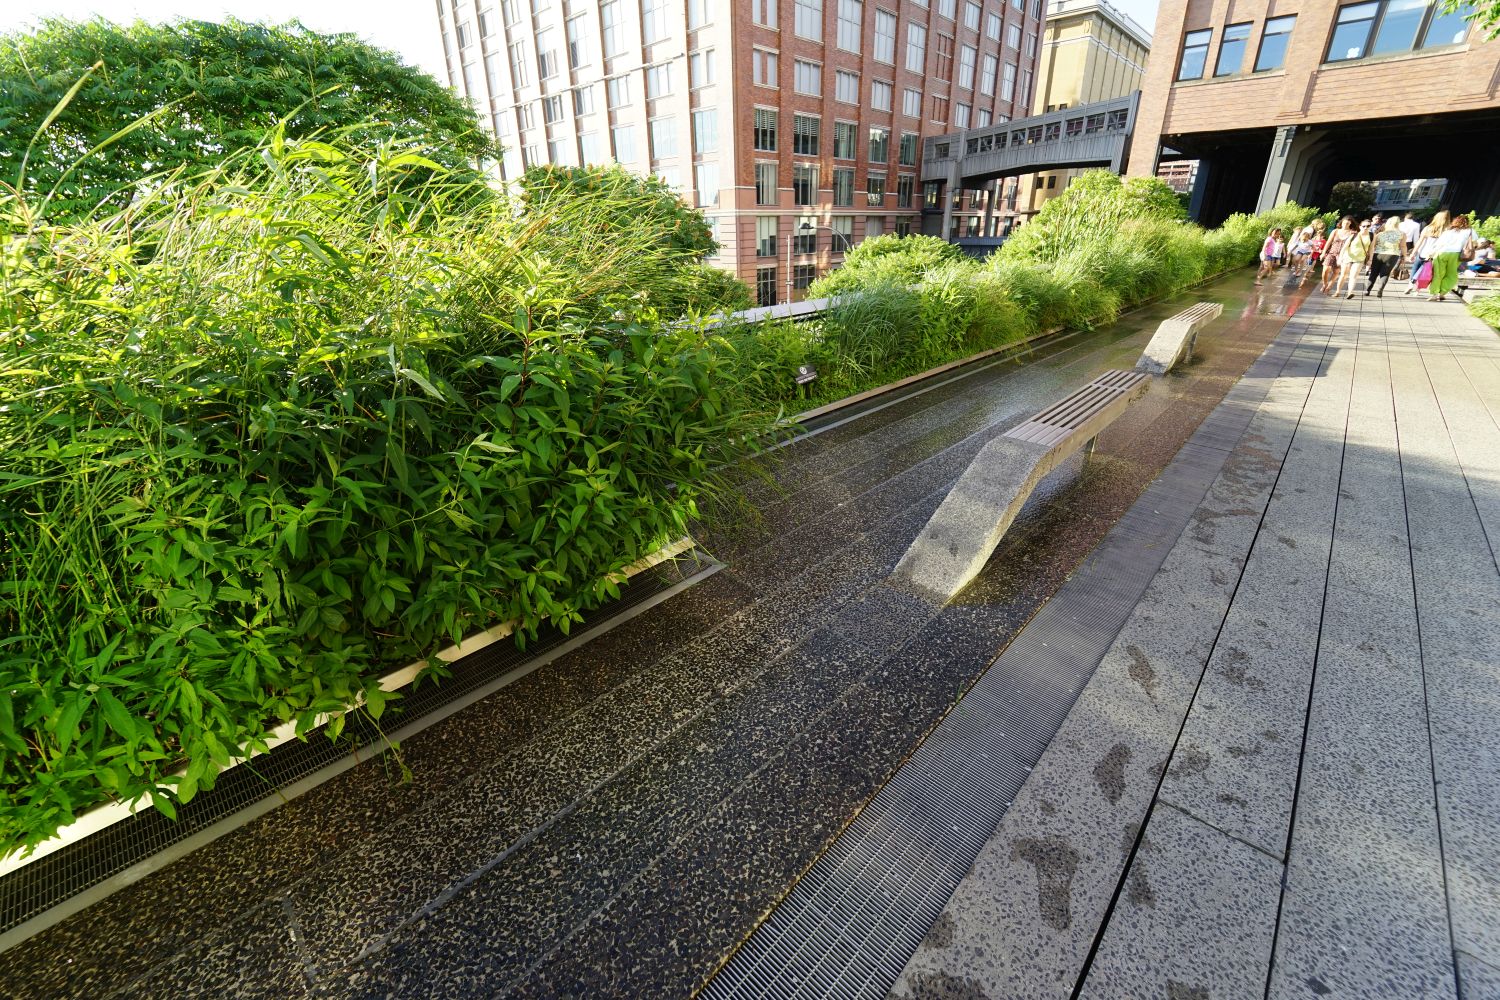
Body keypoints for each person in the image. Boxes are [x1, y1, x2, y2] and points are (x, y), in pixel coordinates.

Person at [1428, 214, 1476, 301]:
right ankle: (1442, 293)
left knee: (1438, 274)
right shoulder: (1470, 231)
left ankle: (1434, 294)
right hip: (1456, 255)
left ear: (1455, 222)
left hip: (1441, 253)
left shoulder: (1448, 231)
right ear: (1467, 222)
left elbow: (1438, 243)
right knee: (1451, 275)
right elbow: (1475, 243)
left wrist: (1431, 253)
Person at [1404, 210, 1447, 295]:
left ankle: (1410, 284)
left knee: (1415, 268)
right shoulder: (1445, 231)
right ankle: (1417, 290)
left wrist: (1413, 253)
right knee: (1424, 272)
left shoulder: (1428, 228)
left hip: (1422, 252)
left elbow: (1420, 241)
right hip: (1433, 255)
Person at [1366, 217, 1407, 297]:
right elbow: (1403, 246)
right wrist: (1405, 256)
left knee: (1374, 273)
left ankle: (1368, 290)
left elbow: (1373, 245)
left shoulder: (1380, 234)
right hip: (1393, 255)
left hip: (1378, 254)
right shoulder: (1402, 234)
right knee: (1385, 273)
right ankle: (1380, 290)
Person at [1335, 219, 1372, 298]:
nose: (1366, 228)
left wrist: (1370, 260)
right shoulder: (1354, 235)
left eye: (1368, 226)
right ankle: (1337, 292)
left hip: (1360, 258)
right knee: (1343, 275)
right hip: (1348, 257)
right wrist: (1340, 258)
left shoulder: (1371, 236)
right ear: (1360, 227)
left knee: (1354, 275)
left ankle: (1350, 293)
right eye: (1364, 226)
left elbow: (1371, 249)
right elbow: (1344, 247)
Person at [1322, 217, 1355, 293]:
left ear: (1350, 223)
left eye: (1347, 223)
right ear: (1341, 222)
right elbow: (1328, 242)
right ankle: (1324, 284)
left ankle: (1329, 286)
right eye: (1344, 222)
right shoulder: (1335, 231)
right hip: (1331, 252)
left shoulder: (1352, 233)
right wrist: (1323, 252)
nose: (1345, 224)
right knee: (1325, 269)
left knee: (1336, 272)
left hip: (1343, 255)